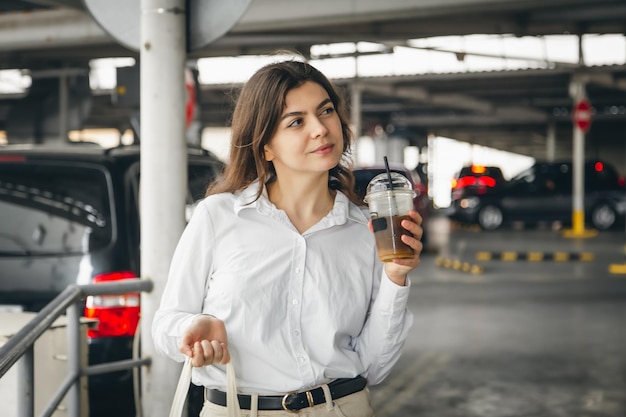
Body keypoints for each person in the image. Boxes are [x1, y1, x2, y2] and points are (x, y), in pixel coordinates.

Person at [152, 56, 423, 417]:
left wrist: (396, 278)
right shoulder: (218, 217)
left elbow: (374, 366)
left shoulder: (364, 230)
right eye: (296, 121)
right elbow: (165, 325)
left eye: (325, 112)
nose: (320, 129)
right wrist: (191, 329)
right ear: (266, 146)